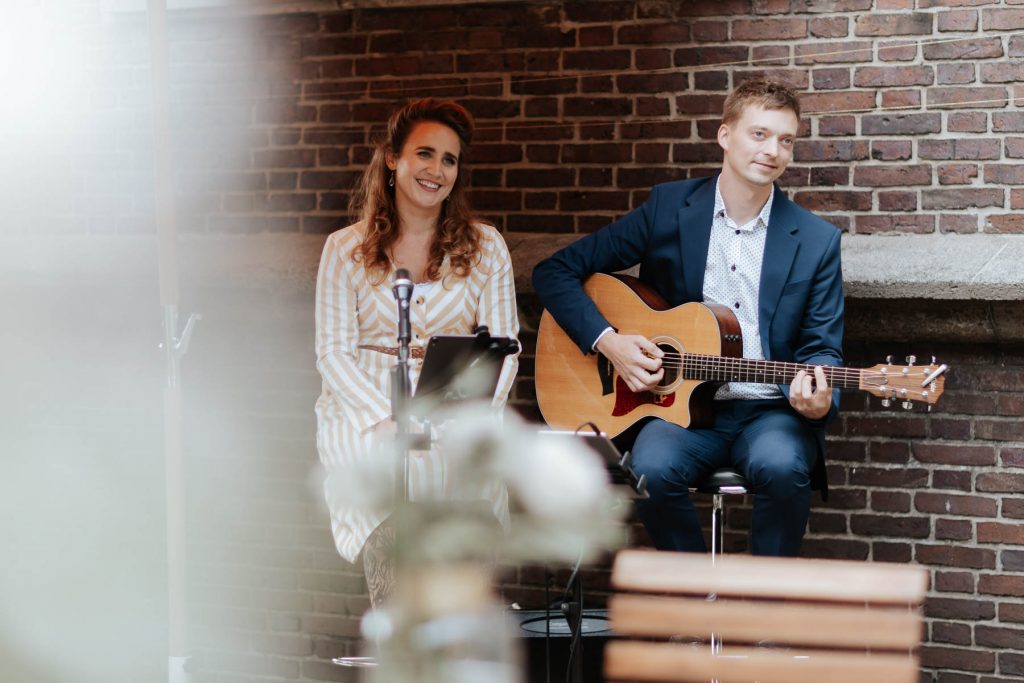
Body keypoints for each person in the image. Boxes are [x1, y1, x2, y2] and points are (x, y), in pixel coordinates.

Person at [532, 80, 843, 557]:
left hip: (768, 412)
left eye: (786, 140)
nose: (773, 151)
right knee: (652, 469)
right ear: (724, 135)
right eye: (759, 134)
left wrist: (821, 401)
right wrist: (608, 341)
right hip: (677, 410)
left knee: (783, 467)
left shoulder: (817, 241)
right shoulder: (668, 209)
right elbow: (554, 273)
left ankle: (765, 620)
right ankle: (694, 608)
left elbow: (823, 348)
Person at [314, 98, 520, 606]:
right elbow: (333, 353)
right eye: (424, 154)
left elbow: (506, 350)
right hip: (368, 412)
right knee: (395, 533)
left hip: (456, 409)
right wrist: (389, 417)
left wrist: (459, 418)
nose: (436, 170)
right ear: (392, 158)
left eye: (449, 160)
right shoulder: (344, 248)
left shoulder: (486, 246)